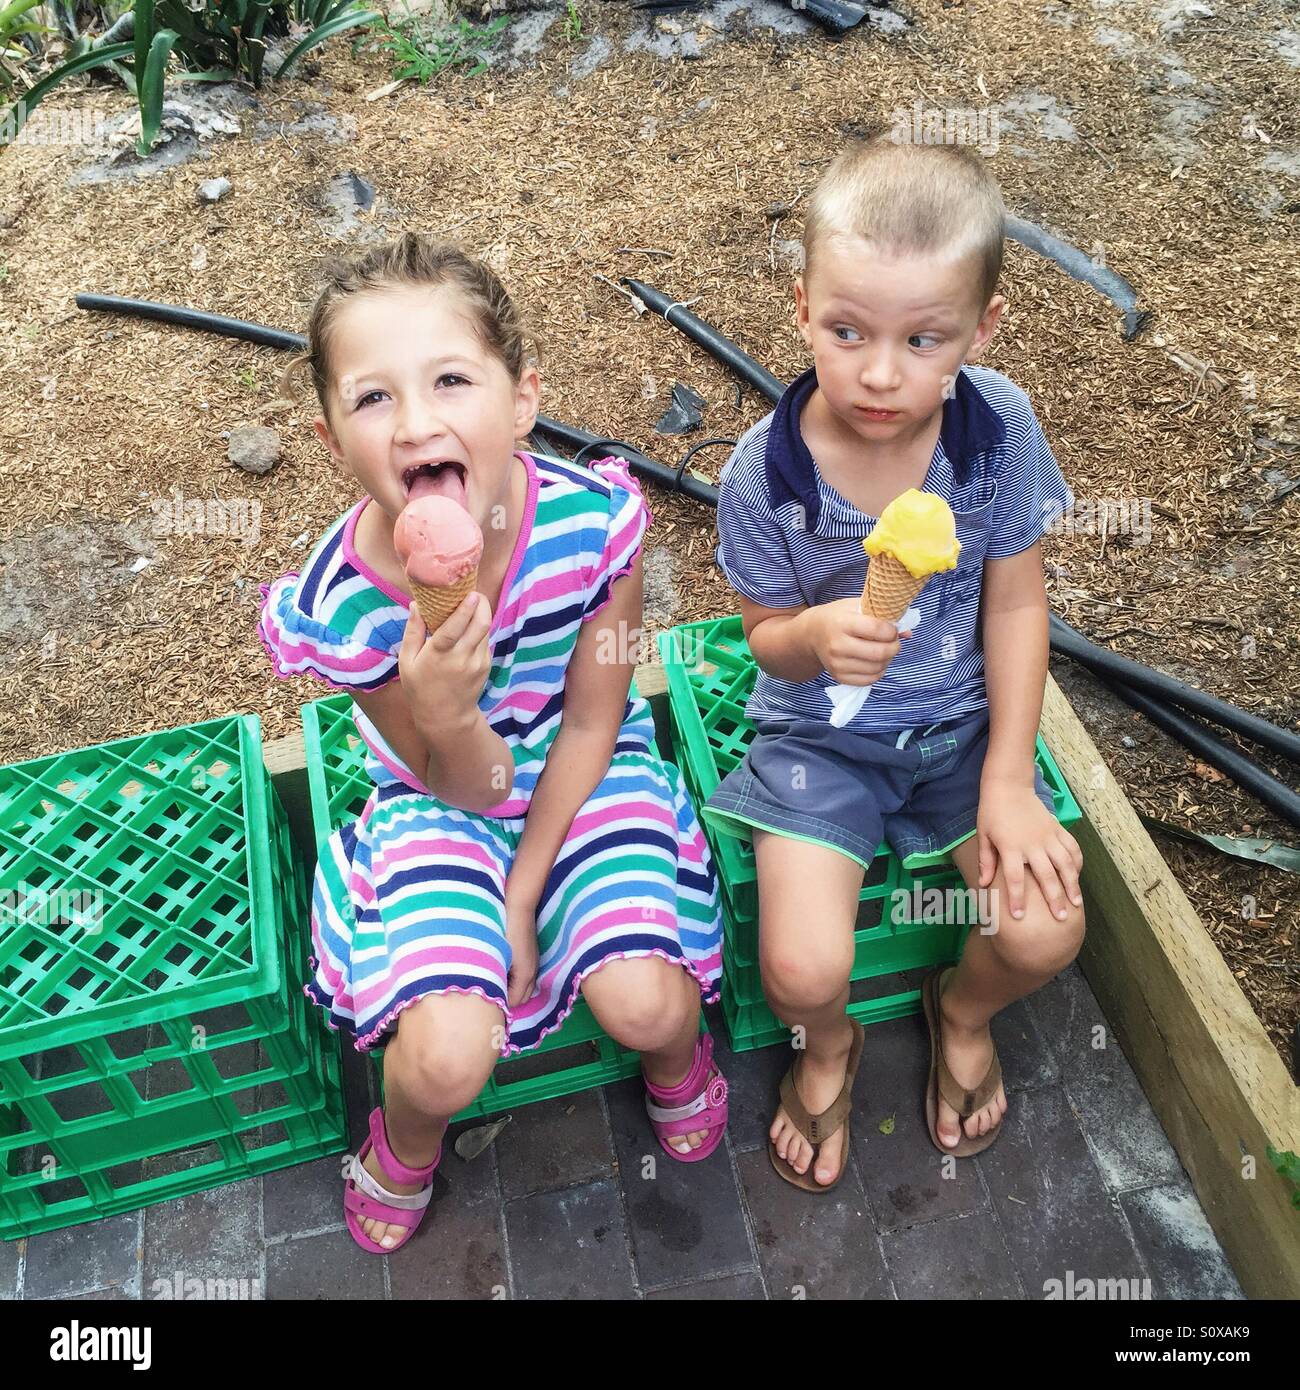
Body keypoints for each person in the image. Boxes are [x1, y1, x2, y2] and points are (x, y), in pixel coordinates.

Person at [257, 234, 726, 1252]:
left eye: (452, 380)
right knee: (444, 1058)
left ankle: (676, 1062)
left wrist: (523, 897)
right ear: (332, 436)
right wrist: (447, 710)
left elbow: (600, 717)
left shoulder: (594, 524)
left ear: (520, 400)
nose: (418, 421)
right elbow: (457, 784)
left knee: (647, 1004)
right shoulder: (349, 605)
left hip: (584, 770)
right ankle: (403, 1143)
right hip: (441, 798)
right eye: (373, 398)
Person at [703, 138, 1085, 1192]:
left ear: (982, 329)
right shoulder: (763, 475)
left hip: (962, 731)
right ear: (801, 309)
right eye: (846, 330)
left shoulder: (995, 429)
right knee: (799, 967)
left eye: (925, 338)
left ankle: (957, 1008)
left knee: (1046, 929)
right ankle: (828, 1043)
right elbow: (763, 636)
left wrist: (1007, 777)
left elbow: (1013, 597)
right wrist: (816, 636)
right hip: (822, 737)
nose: (880, 372)